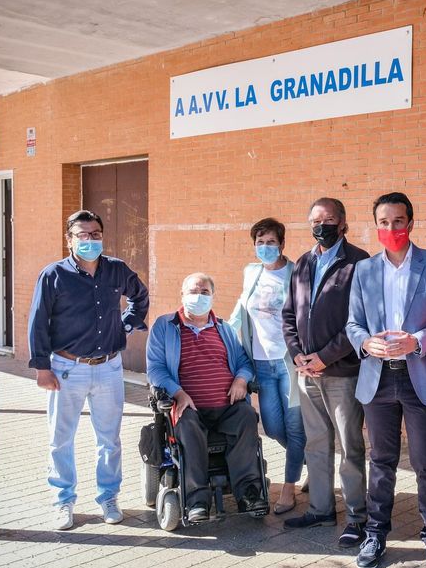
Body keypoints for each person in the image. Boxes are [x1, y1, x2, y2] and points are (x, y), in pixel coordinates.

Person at [346, 192, 426, 568]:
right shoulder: (364, 270)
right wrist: (364, 341)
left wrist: (418, 341)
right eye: (384, 221)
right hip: (377, 380)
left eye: (398, 220)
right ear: (375, 225)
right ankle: (376, 534)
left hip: (419, 376)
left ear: (411, 222)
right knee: (382, 461)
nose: (391, 228)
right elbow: (353, 322)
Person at [28, 209, 149, 531]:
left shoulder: (116, 270)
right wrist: (42, 367)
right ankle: (62, 501)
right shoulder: (53, 275)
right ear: (69, 239)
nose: (90, 240)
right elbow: (38, 322)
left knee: (109, 440)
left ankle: (109, 497)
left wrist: (127, 324)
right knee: (60, 440)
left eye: (95, 234)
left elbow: (140, 296)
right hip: (67, 368)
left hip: (109, 369)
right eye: (82, 235)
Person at [281, 197, 370, 548]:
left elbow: (359, 321)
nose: (322, 225)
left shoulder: (359, 262)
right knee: (316, 444)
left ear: (344, 223)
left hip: (343, 373)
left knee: (350, 447)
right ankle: (320, 508)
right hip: (307, 373)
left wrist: (325, 357)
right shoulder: (303, 262)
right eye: (316, 219)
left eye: (330, 219)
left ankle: (357, 517)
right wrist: (299, 356)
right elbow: (289, 315)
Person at [145, 272, 269, 522]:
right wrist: (178, 393)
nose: (198, 297)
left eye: (204, 292)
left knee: (247, 415)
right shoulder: (165, 326)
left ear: (213, 296)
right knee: (188, 425)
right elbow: (155, 368)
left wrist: (241, 379)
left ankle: (249, 493)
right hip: (188, 407)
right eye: (193, 291)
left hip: (227, 406)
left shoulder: (223, 329)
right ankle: (197, 500)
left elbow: (244, 362)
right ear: (182, 294)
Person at [228, 217, 305, 514]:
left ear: (282, 244)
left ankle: (289, 488)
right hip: (260, 362)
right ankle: (313, 457)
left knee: (295, 426)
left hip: (289, 362)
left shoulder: (297, 272)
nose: (265, 248)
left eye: (271, 242)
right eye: (260, 243)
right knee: (272, 427)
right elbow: (240, 307)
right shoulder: (251, 272)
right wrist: (221, 332)